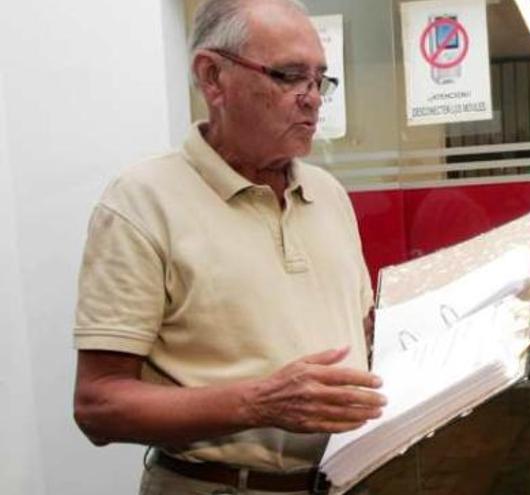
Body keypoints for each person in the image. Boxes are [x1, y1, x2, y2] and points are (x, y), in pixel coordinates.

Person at [72, 1, 386, 493]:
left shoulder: (329, 194)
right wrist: (258, 404)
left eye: (319, 79)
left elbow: (361, 338)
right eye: (288, 75)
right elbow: (98, 405)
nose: (312, 98)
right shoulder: (141, 202)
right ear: (212, 78)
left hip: (340, 482)